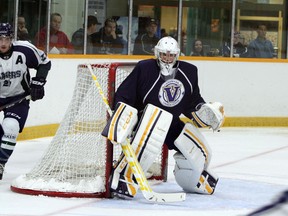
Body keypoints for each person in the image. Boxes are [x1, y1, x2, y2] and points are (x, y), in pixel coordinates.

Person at [101, 36, 225, 199]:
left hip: (172, 122)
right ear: (157, 54)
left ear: (177, 55)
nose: (167, 59)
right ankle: (124, 176)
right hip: (146, 120)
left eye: (171, 55)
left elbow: (192, 101)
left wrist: (203, 111)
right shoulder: (145, 68)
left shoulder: (189, 72)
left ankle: (194, 179)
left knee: (200, 152)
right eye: (164, 55)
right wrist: (123, 114)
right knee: (151, 131)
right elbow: (125, 93)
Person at [0, 23, 51, 180]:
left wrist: (39, 81)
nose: (3, 43)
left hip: (18, 98)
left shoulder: (24, 49)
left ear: (12, 39)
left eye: (6, 39)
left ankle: (0, 163)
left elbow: (45, 62)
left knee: (10, 127)